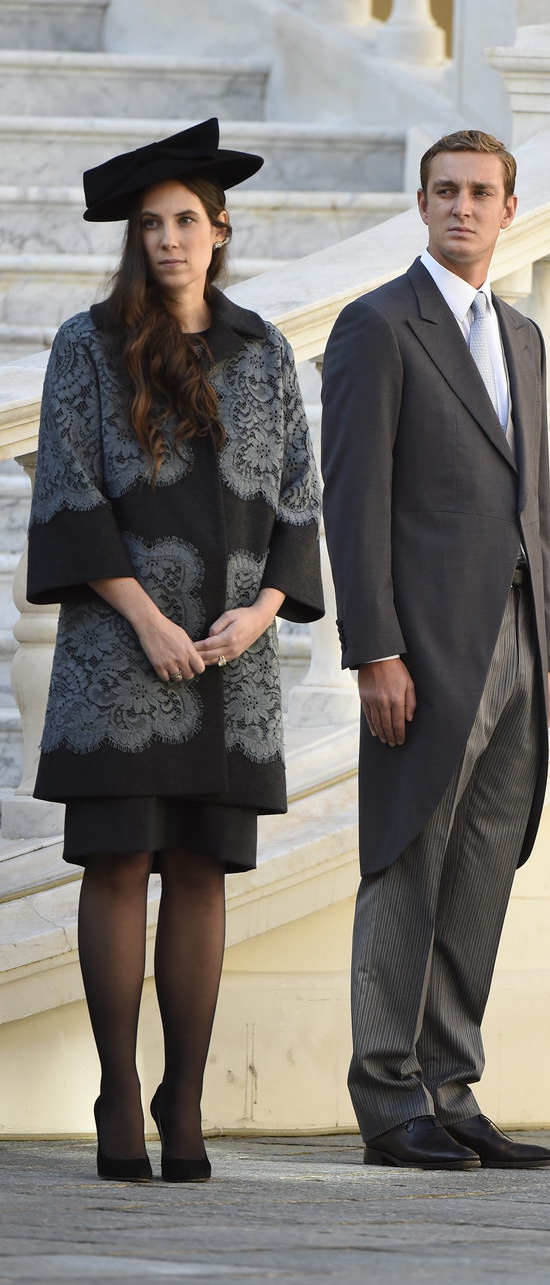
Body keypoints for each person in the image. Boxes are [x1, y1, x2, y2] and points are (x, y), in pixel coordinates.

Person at [27, 118, 324, 1183]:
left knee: (201, 869)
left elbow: (299, 499)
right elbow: (66, 489)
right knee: (117, 864)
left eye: (185, 220)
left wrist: (260, 613)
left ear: (219, 228)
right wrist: (144, 617)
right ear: (132, 238)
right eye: (149, 224)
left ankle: (182, 1094)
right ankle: (117, 1089)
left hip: (230, 666)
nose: (168, 238)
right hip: (118, 662)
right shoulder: (85, 345)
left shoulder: (266, 351)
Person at [320, 130, 550, 1170]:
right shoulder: (377, 326)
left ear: (510, 208)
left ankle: (449, 1083)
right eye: (445, 192)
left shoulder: (525, 336)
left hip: (515, 634)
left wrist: (545, 647)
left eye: (481, 193)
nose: (462, 207)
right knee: (406, 858)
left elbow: (531, 502)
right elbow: (353, 497)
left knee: (482, 864)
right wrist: (374, 647)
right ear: (420, 202)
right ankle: (386, 1095)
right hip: (420, 646)